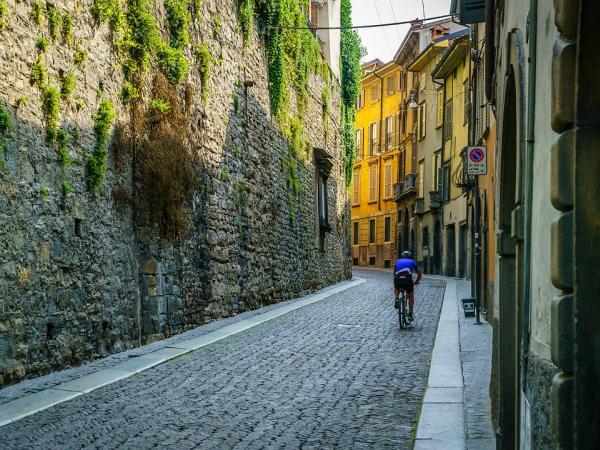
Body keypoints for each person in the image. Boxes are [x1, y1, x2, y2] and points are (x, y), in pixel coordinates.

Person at [393, 250, 422, 320]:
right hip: (408, 281)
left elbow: (394, 273)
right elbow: (419, 274)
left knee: (396, 287)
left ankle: (397, 298)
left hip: (398, 280)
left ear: (402, 257)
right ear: (410, 257)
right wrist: (416, 281)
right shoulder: (412, 261)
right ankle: (410, 314)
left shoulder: (397, 261)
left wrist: (396, 279)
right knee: (411, 296)